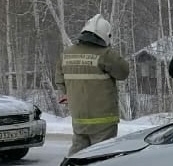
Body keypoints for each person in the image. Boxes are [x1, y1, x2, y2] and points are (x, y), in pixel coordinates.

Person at [54, 14, 130, 156]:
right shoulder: (105, 54)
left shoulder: (67, 54)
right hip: (103, 119)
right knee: (102, 155)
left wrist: (67, 93)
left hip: (79, 117)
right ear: (105, 35)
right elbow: (123, 72)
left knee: (79, 151)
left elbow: (60, 79)